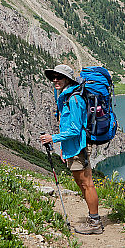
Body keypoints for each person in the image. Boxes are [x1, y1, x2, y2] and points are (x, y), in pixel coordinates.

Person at [40, 64, 103, 235]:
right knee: (81, 184)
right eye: (53, 77)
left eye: (58, 77)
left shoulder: (74, 99)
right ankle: (93, 218)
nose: (55, 80)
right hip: (72, 149)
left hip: (79, 148)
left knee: (87, 184)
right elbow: (67, 127)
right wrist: (63, 149)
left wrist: (53, 138)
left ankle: (95, 222)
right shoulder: (65, 97)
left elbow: (75, 129)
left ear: (67, 79)